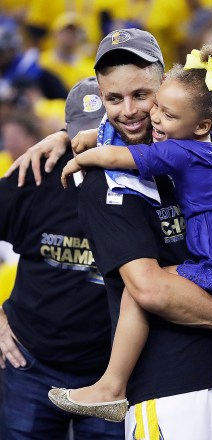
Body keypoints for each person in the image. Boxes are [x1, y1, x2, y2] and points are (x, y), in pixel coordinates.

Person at [6, 29, 212, 440]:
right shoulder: (106, 183)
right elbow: (151, 289)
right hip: (168, 385)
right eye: (113, 99)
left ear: (170, 89)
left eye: (144, 96)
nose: (133, 112)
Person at [0, 77, 125, 440]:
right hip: (31, 364)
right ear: (67, 133)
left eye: (101, 135)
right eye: (79, 138)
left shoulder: (145, 181)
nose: (88, 148)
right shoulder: (34, 176)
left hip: (111, 374)